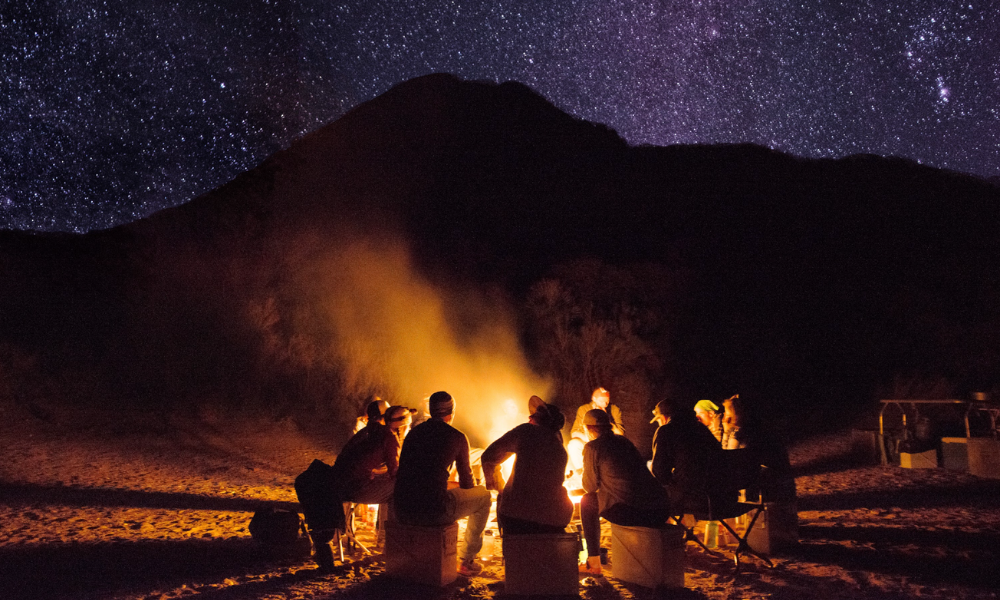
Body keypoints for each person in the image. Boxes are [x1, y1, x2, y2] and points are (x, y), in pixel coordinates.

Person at [393, 391, 492, 576]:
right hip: (432, 512)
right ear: (451, 413)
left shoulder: (413, 434)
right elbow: (467, 484)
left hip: (402, 510)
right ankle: (467, 561)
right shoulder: (457, 437)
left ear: (430, 411)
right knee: (484, 497)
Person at [579, 409, 670, 575]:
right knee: (611, 496)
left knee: (587, 502)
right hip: (662, 509)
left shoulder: (593, 447)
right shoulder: (623, 441)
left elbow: (589, 487)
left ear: (589, 429)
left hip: (638, 512)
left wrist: (587, 472)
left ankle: (593, 563)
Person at [481, 395, 573, 535]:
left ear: (537, 418)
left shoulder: (525, 431)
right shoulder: (559, 444)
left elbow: (488, 456)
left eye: (533, 416)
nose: (529, 418)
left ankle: (511, 548)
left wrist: (497, 485)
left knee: (503, 499)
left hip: (516, 518)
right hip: (554, 519)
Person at [650, 398, 726, 509]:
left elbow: (659, 472)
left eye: (658, 420)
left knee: (646, 493)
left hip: (692, 498)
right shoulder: (702, 429)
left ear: (664, 418)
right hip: (719, 497)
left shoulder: (666, 430)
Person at [567, 387, 625, 474]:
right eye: (601, 401)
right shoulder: (584, 409)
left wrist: (606, 419)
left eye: (607, 401)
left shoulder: (614, 409)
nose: (605, 404)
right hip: (588, 441)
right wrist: (590, 439)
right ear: (594, 399)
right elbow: (574, 432)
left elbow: (620, 433)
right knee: (573, 444)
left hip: (607, 443)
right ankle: (582, 473)